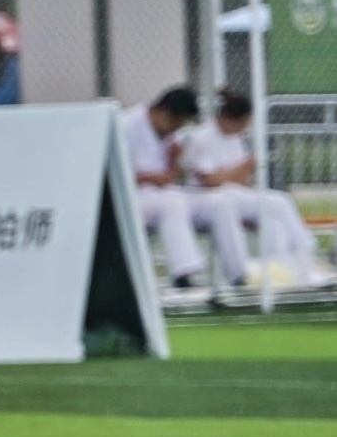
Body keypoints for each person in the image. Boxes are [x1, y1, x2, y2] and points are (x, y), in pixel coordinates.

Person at [183, 91, 325, 286]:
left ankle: (286, 269)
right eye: (243, 123)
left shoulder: (235, 137)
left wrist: (237, 173)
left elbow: (243, 179)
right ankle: (305, 255)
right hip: (210, 196)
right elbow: (210, 180)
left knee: (275, 218)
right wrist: (243, 168)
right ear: (229, 119)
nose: (244, 128)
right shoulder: (202, 138)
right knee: (278, 203)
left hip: (236, 193)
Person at [124, 87, 205, 288]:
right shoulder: (126, 125)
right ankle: (184, 273)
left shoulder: (170, 134)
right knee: (172, 203)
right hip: (130, 197)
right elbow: (110, 173)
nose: (176, 130)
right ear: (165, 113)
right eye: (177, 123)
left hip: (161, 195)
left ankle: (240, 276)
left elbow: (171, 176)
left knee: (218, 202)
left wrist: (174, 160)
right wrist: (148, 177)